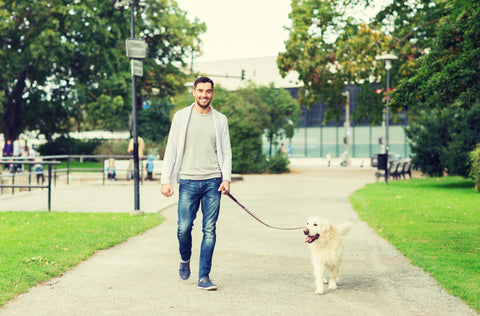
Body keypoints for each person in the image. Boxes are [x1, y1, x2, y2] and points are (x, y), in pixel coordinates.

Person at [161, 76, 232, 291]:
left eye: (208, 91)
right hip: (188, 181)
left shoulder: (220, 120)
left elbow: (226, 152)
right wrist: (165, 180)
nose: (204, 95)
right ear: (193, 91)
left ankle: (204, 276)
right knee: (183, 229)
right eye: (200, 90)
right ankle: (184, 259)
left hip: (213, 182)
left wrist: (226, 178)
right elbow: (171, 149)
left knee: (209, 230)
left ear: (212, 93)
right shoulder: (181, 117)